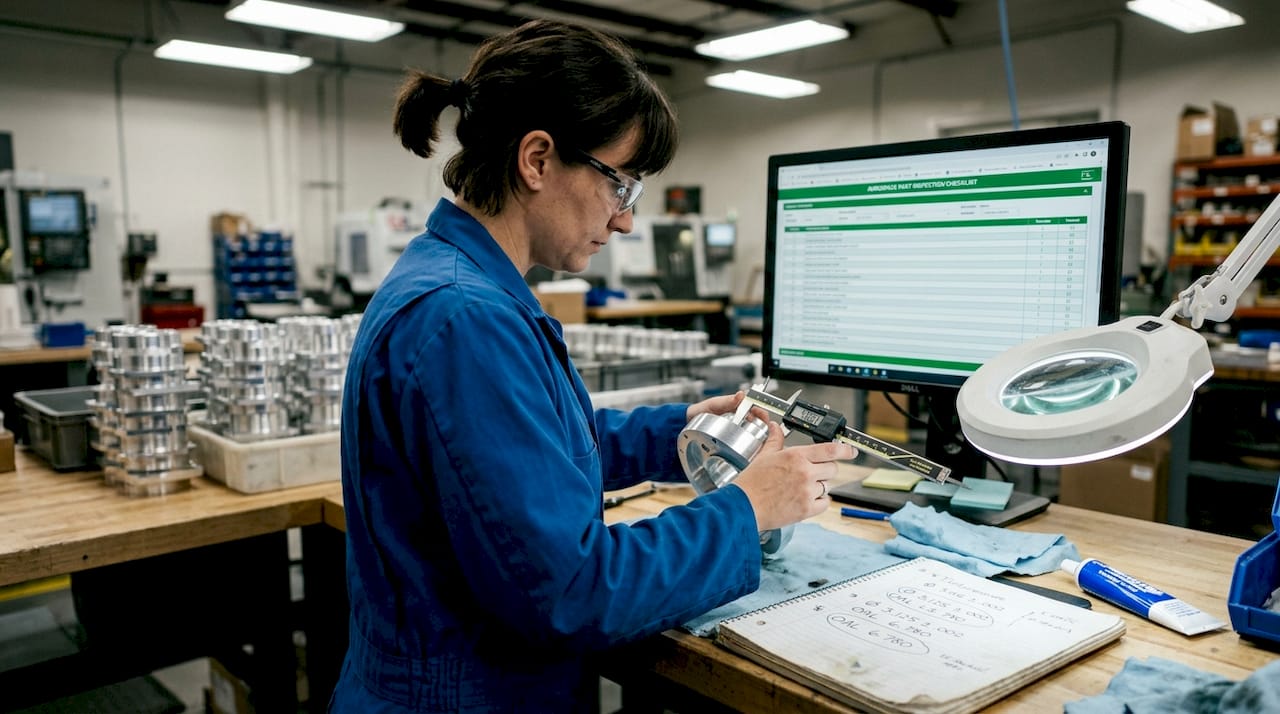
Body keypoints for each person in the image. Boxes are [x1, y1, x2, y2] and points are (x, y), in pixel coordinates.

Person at [330, 19, 854, 713]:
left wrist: (678, 432)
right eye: (621, 185)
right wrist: (746, 509)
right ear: (538, 160)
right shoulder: (464, 319)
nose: (627, 220)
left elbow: (527, 462)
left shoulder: (463, 285)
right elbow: (572, 592)